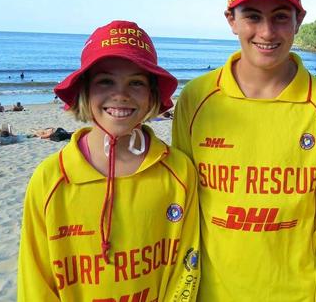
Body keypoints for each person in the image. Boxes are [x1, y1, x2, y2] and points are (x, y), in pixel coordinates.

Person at [172, 0, 316, 302]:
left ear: (299, 21)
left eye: (281, 17)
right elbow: (181, 211)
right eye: (253, 16)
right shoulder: (196, 99)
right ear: (231, 20)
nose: (267, 32)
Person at [17, 21, 200, 301]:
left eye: (136, 83)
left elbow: (186, 270)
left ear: (152, 93)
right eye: (105, 81)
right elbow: (35, 281)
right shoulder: (51, 178)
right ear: (85, 90)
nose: (121, 94)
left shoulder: (177, 171)